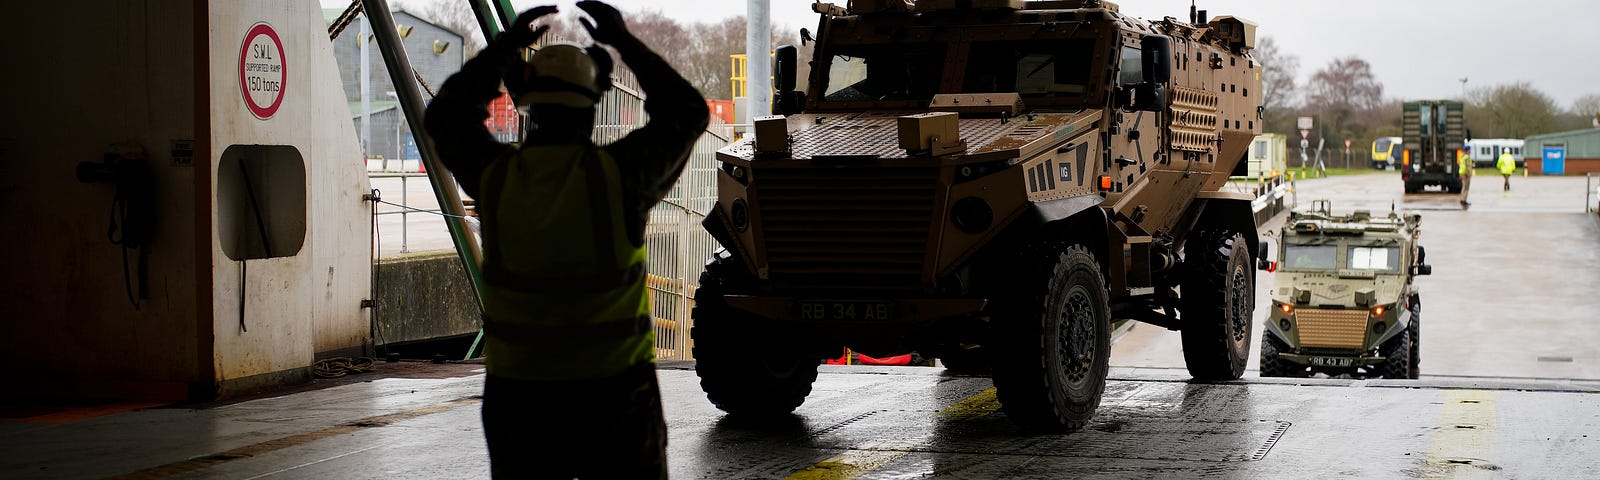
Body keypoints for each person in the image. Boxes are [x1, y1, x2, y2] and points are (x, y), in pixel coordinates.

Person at [424, 2, 708, 478]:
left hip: (521, 400)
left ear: (526, 101)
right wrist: (624, 41)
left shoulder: (497, 179)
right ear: (595, 99)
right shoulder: (620, 179)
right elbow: (686, 112)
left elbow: (446, 117)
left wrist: (504, 48)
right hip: (616, 398)